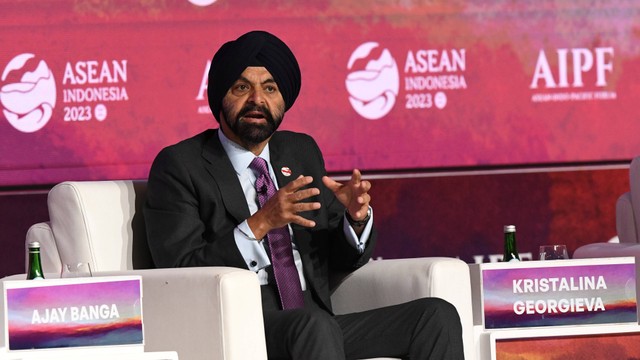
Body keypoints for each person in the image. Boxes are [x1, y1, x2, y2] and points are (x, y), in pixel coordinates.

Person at [144, 30, 464, 359]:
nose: (257, 99)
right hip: (238, 324)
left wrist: (355, 221)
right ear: (219, 97)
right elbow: (178, 269)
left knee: (435, 317)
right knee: (315, 326)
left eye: (270, 88)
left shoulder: (299, 152)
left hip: (314, 322)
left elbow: (336, 258)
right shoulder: (180, 165)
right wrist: (259, 223)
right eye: (242, 87)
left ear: (284, 100)